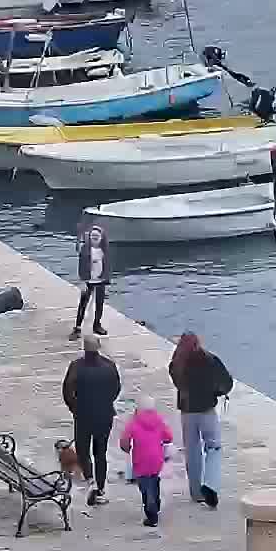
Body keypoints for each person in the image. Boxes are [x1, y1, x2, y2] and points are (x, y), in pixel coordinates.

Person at [169, 332, 233, 508]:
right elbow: (226, 382)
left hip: (187, 411)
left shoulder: (176, 363)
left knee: (192, 451)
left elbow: (177, 382)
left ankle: (196, 492)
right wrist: (217, 392)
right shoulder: (210, 360)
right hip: (206, 409)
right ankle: (210, 484)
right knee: (214, 447)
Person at [62, 332, 122, 505]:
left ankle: (90, 480)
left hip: (83, 415)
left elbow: (67, 391)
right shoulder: (109, 366)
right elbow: (116, 388)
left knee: (83, 450)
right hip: (104, 414)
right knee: (100, 453)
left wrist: (74, 407)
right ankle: (101, 488)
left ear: (84, 348)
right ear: (99, 347)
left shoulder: (76, 367)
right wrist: (106, 402)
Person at [118, 394, 174, 527]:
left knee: (145, 485)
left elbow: (124, 440)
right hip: (157, 458)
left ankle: (151, 513)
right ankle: (156, 502)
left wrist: (127, 448)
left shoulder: (134, 422)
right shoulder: (159, 420)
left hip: (140, 459)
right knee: (154, 479)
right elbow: (169, 437)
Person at [72, 224, 110, 338]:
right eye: (93, 236)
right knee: (83, 305)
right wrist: (82, 281)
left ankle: (97, 325)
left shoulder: (105, 250)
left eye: (97, 236)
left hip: (100, 281)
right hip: (88, 281)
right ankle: (77, 327)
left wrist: (107, 279)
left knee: (99, 305)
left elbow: (108, 266)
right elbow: (81, 267)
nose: (94, 238)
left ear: (101, 238)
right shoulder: (85, 249)